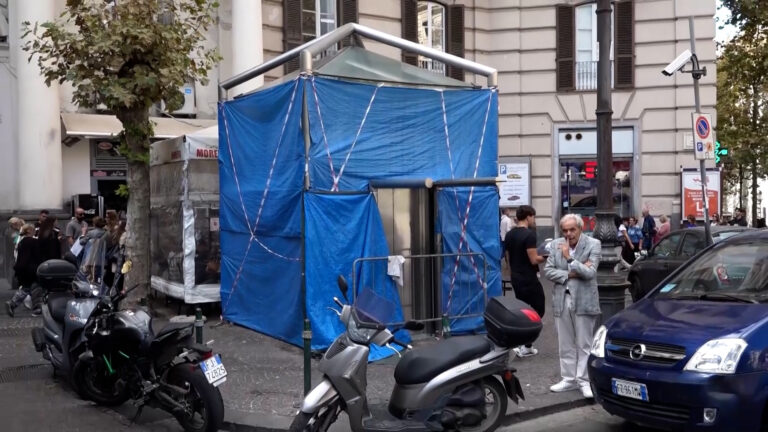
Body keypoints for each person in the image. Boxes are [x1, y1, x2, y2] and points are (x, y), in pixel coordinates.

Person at [544, 214, 601, 399]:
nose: (568, 234)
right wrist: (572, 273)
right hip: (562, 298)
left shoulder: (593, 244)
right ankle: (568, 379)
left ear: (580, 228)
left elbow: (590, 273)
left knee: (584, 343)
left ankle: (583, 380)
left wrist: (569, 259)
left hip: (584, 300)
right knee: (565, 342)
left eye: (572, 230)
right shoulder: (555, 245)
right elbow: (548, 271)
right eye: (565, 230)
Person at [504, 205, 545, 357]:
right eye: (533, 216)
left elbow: (507, 257)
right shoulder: (529, 235)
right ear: (528, 216)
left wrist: (511, 272)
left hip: (516, 277)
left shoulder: (509, 235)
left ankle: (522, 343)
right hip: (529, 278)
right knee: (538, 310)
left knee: (523, 311)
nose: (534, 220)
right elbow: (534, 260)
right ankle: (525, 343)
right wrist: (548, 255)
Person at [6, 224, 43, 317]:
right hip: (31, 269)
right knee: (35, 288)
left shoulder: (21, 242)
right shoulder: (33, 241)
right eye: (33, 229)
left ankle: (13, 304)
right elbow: (37, 256)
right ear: (29, 231)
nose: (35, 231)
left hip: (23, 269)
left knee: (27, 288)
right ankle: (36, 308)